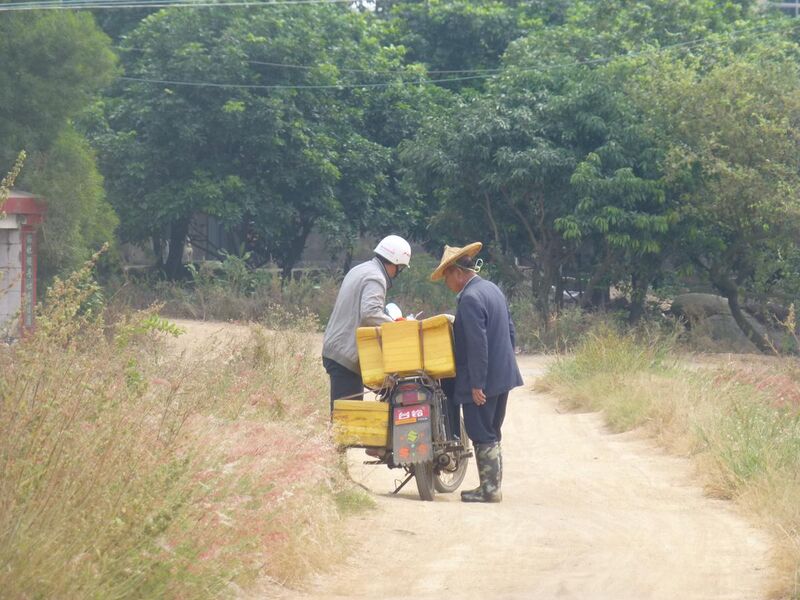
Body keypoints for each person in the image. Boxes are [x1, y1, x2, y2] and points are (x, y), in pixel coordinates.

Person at [431, 242, 523, 503]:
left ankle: (489, 491)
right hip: (502, 375)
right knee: (492, 431)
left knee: (480, 430)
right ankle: (492, 487)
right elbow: (510, 330)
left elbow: (476, 345)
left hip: (483, 380)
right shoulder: (492, 289)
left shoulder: (470, 298)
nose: (447, 282)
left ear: (457, 272)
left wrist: (477, 384)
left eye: (447, 277)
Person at [322, 235, 411, 412]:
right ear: (395, 263)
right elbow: (370, 313)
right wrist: (400, 327)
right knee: (348, 418)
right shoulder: (376, 277)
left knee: (352, 409)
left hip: (338, 349)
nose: (397, 272)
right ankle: (350, 441)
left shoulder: (360, 269)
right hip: (346, 354)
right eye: (399, 268)